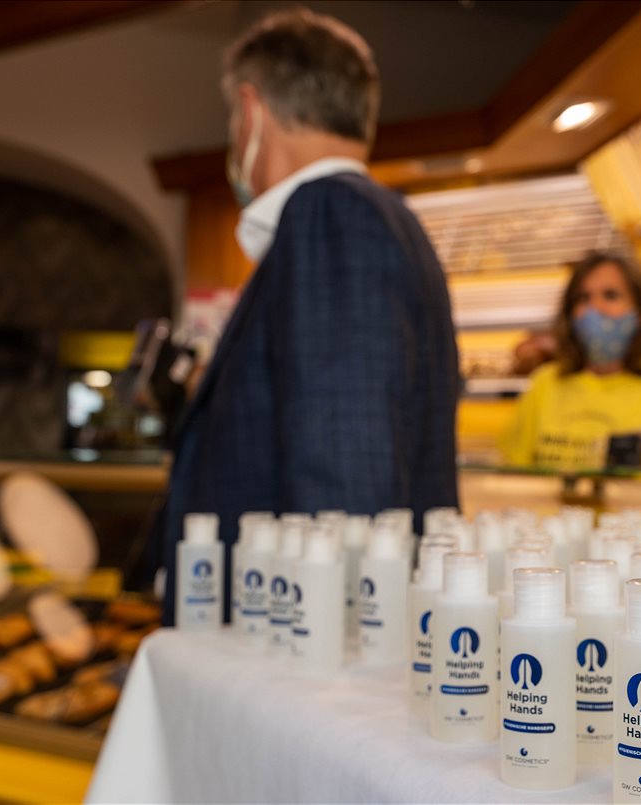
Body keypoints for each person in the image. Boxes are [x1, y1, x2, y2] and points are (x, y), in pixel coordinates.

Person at [160, 9, 459, 624]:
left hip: (297, 637)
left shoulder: (329, 216)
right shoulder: (381, 218)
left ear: (251, 111)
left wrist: (324, 650)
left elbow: (346, 475)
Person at [499, 251, 641, 469]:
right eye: (583, 298)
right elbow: (513, 471)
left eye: (611, 295)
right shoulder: (544, 384)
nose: (594, 308)